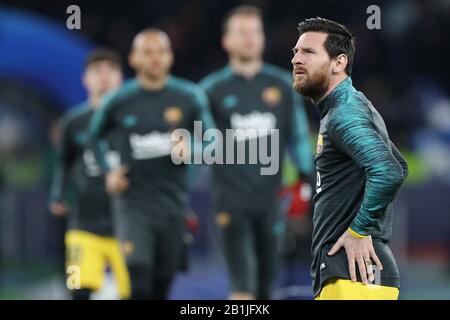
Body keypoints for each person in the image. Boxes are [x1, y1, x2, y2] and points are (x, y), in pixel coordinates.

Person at [89, 29, 215, 299]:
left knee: (161, 285)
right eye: (147, 52)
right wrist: (108, 171)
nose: (155, 58)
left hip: (173, 205)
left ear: (170, 56)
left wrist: (192, 149)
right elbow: (94, 136)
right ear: (134, 58)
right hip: (132, 204)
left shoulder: (189, 96)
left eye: (161, 51)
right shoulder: (118, 100)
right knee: (139, 280)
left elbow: (213, 141)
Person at [200, 6, 314, 300]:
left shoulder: (283, 86)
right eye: (242, 32)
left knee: (265, 288)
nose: (250, 38)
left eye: (255, 31)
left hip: (271, 202)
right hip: (229, 201)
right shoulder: (210, 90)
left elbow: (298, 137)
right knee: (243, 287)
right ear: (226, 40)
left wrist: (306, 182)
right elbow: (199, 143)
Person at [291, 17, 409, 300]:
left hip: (354, 275)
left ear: (338, 62)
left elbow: (389, 171)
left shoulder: (345, 114)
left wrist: (359, 229)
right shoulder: (345, 108)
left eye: (308, 52)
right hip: (350, 275)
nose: (296, 59)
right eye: (295, 52)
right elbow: (399, 164)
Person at [49, 48, 130, 300]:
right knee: (76, 289)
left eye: (111, 71)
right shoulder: (73, 122)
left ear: (121, 79)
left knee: (138, 291)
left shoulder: (134, 120)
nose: (104, 77)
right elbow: (63, 162)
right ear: (85, 79)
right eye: (97, 71)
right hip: (84, 224)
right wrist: (57, 195)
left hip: (129, 225)